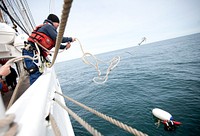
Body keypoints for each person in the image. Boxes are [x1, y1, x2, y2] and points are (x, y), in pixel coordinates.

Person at [22, 14, 75, 85]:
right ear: (53, 22)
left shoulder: (49, 31)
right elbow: (59, 39)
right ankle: (37, 92)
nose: (58, 26)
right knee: (34, 73)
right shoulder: (48, 26)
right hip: (31, 52)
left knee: (38, 73)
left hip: (35, 54)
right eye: (57, 24)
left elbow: (57, 44)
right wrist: (70, 39)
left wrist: (65, 47)